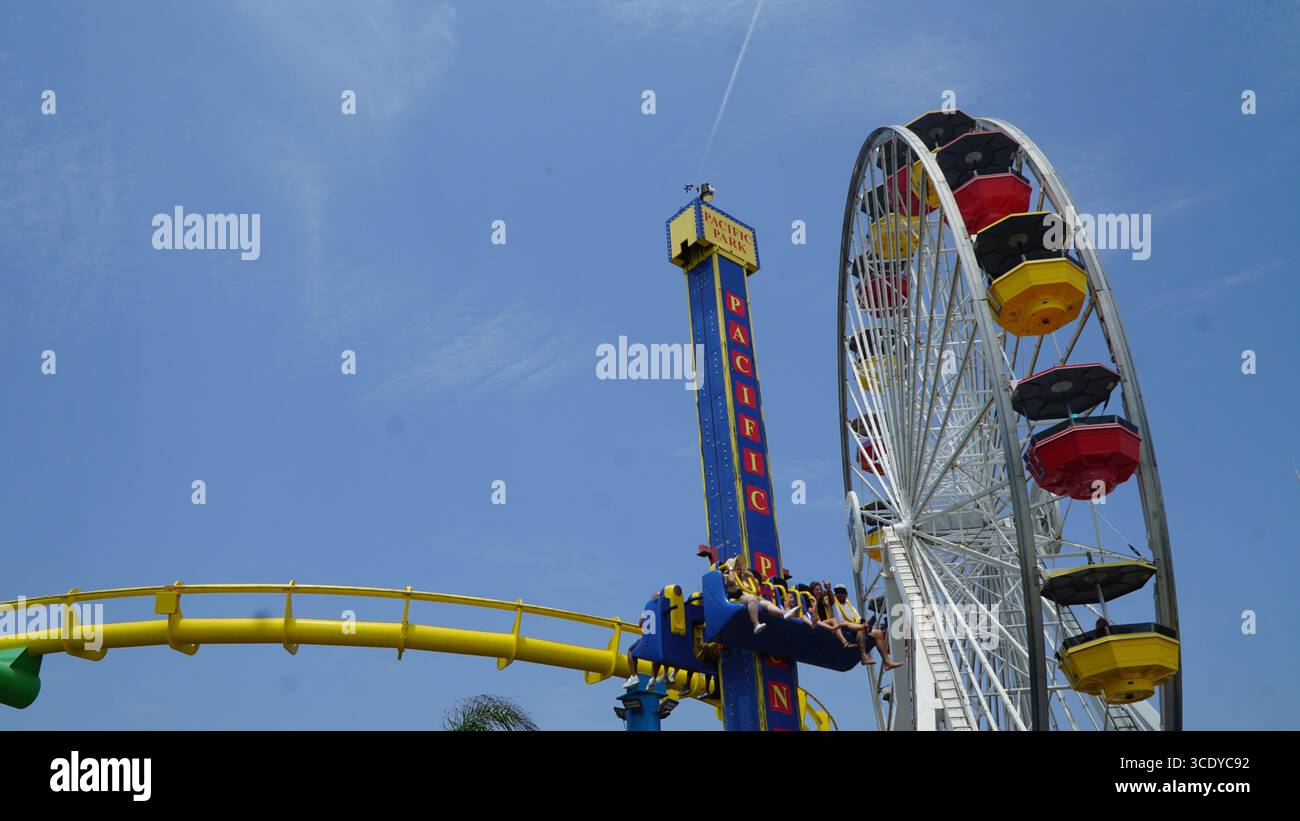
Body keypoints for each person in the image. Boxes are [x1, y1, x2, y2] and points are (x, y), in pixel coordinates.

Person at [723, 555, 798, 634]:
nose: (738, 567)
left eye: (739, 565)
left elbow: (756, 590)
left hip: (745, 598)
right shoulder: (728, 576)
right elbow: (731, 581)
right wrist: (731, 569)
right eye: (736, 564)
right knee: (752, 598)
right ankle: (756, 624)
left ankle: (784, 613)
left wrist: (751, 576)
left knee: (766, 602)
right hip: (735, 599)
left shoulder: (743, 580)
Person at [624, 592, 667, 688]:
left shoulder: (649, 607)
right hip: (661, 640)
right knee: (657, 654)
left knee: (630, 651)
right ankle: (653, 677)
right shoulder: (665, 608)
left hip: (648, 640)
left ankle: (634, 676)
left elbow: (640, 624)